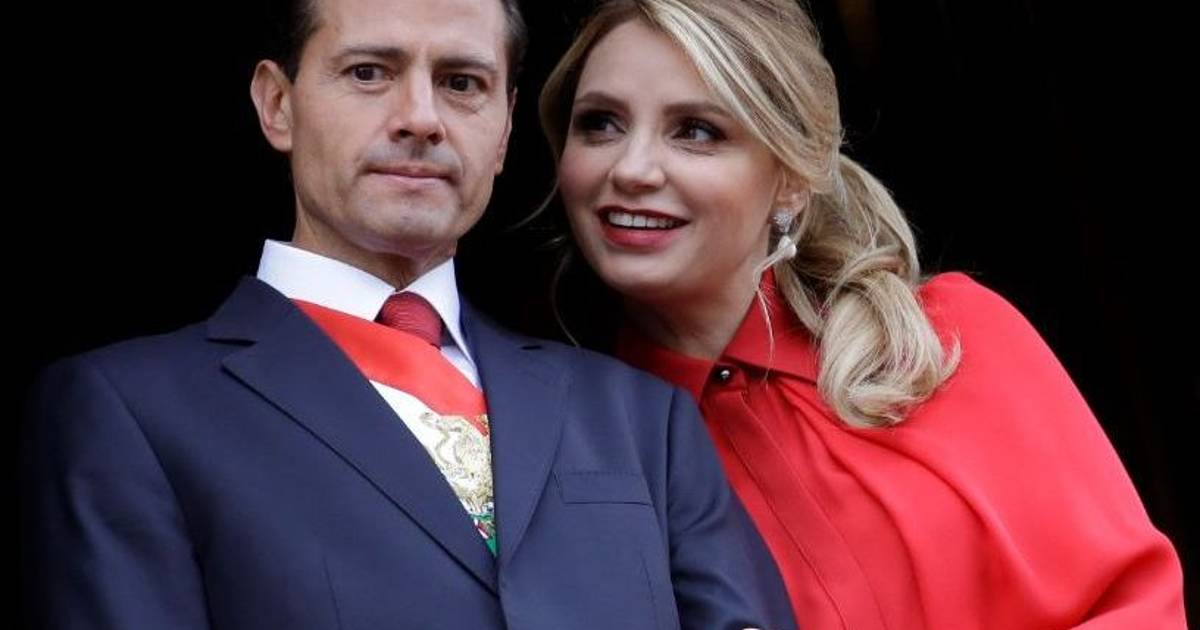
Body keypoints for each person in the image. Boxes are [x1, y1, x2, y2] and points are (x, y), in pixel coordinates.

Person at [20, 1, 797, 628]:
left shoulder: (640, 418)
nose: (421, 118)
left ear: (504, 130)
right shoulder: (129, 409)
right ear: (278, 105)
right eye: (369, 73)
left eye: (461, 82)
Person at [538, 0, 1187, 627]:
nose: (632, 168)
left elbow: (1138, 605)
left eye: (697, 131)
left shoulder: (951, 339)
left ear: (791, 178)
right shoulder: (562, 460)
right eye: (601, 124)